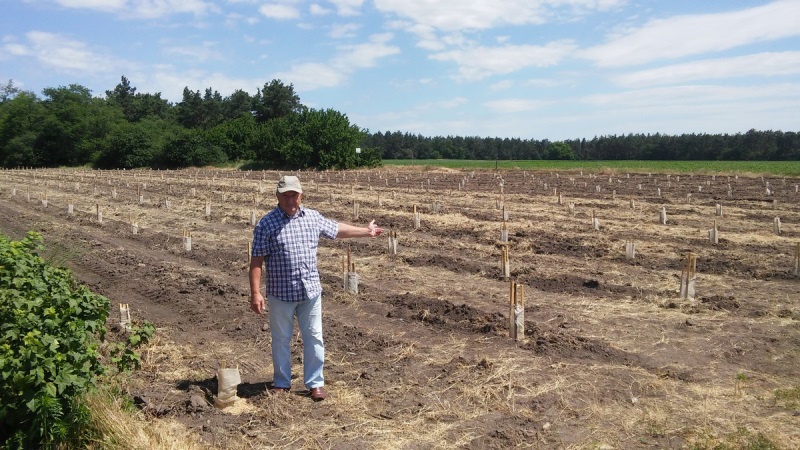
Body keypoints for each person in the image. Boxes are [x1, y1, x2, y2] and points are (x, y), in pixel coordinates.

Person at [249, 175, 383, 401]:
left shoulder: (312, 217)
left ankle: (315, 383)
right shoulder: (266, 224)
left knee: (314, 337)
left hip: (310, 291)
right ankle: (281, 382)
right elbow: (256, 261)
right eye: (286, 195)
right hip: (281, 293)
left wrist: (365, 231)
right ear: (277, 196)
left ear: (301, 195)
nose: (291, 200)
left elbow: (336, 229)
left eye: (295, 195)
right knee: (281, 338)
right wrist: (255, 292)